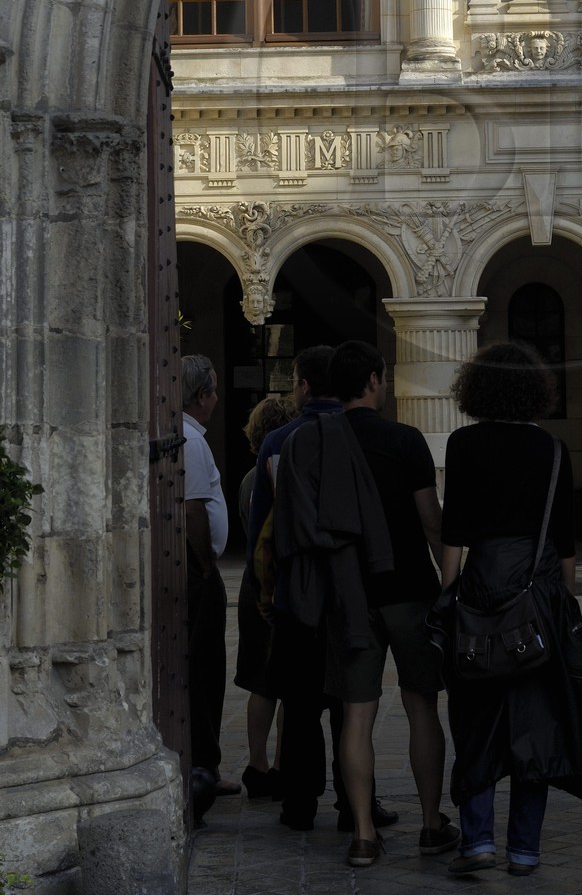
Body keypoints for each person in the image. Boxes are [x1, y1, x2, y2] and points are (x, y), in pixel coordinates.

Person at [439, 341, 582, 878]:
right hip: (537, 595)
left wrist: (448, 597)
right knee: (536, 724)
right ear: (535, 391)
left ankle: (476, 841)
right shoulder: (554, 451)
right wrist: (563, 603)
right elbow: (565, 543)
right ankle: (524, 849)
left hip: (481, 592)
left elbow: (455, 535)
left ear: (477, 389)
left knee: (476, 720)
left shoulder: (464, 445)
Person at [247, 344, 397, 836]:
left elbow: (262, 533)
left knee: (301, 701)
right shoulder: (370, 438)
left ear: (305, 384)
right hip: (353, 590)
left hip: (298, 590)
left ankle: (299, 802)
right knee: (350, 705)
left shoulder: (279, 442)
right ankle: (357, 804)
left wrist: (266, 591)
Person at [323, 341, 459, 870]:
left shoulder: (318, 442)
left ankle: (362, 834)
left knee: (356, 716)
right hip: (409, 590)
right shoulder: (405, 440)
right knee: (422, 704)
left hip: (349, 597)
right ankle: (430, 823)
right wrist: (448, 586)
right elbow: (432, 523)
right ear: (376, 380)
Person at [181, 353, 235, 815]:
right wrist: (203, 565)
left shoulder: (187, 435)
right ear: (201, 396)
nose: (218, 398)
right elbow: (194, 509)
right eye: (214, 390)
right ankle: (203, 769)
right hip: (197, 572)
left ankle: (204, 764)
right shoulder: (193, 442)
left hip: (194, 568)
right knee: (204, 671)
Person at [235, 393, 296, 799]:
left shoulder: (245, 480)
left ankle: (256, 763)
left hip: (250, 582)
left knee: (261, 682)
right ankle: (281, 765)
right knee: (289, 684)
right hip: (278, 584)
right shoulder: (281, 472)